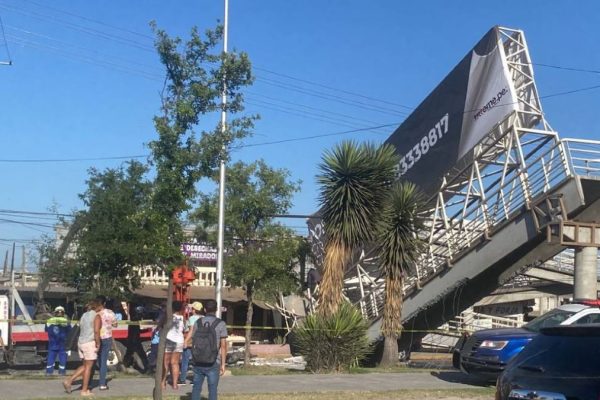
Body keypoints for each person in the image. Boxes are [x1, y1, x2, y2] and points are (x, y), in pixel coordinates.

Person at [186, 299, 228, 400]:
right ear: (216, 309)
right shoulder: (221, 324)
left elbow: (193, 339)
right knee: (212, 389)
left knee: (196, 388)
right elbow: (223, 345)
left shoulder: (198, 322)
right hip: (214, 361)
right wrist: (223, 364)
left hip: (198, 360)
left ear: (204, 309)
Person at [63, 300, 101, 397]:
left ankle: (70, 381)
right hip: (90, 342)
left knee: (84, 365)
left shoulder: (84, 315)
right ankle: (84, 390)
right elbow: (96, 331)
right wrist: (98, 343)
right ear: (97, 307)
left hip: (81, 342)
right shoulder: (96, 316)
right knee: (88, 367)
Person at [95, 295, 117, 391]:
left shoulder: (95, 313)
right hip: (107, 337)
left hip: (96, 338)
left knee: (95, 360)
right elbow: (115, 324)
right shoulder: (110, 312)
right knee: (103, 361)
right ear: (104, 303)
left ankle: (89, 382)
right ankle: (102, 383)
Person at [179, 301, 203, 385]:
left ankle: (182, 379)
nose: (191, 310)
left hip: (191, 342)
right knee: (196, 362)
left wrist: (185, 341)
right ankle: (195, 379)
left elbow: (191, 331)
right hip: (200, 342)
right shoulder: (203, 318)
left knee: (185, 360)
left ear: (195, 310)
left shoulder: (192, 318)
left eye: (192, 308)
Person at [162, 300, 185, 389]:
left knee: (165, 362)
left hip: (168, 339)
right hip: (179, 340)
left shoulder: (168, 316)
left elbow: (161, 324)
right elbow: (184, 328)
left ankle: (163, 382)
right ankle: (175, 384)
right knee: (175, 363)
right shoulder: (182, 318)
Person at [45, 306, 71, 376]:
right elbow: (70, 331)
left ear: (55, 312)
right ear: (63, 313)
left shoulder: (49, 321)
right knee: (62, 358)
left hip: (52, 343)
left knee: (51, 357)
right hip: (62, 343)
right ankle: (62, 372)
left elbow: (46, 330)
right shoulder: (66, 321)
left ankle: (49, 372)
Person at [123, 305, 148, 373]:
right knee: (142, 355)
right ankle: (146, 368)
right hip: (135, 341)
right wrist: (146, 330)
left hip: (132, 340)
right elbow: (136, 331)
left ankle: (125, 365)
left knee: (129, 353)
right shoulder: (135, 321)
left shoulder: (133, 320)